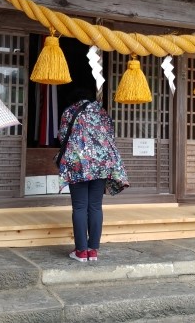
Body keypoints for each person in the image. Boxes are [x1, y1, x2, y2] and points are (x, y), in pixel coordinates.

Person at [58, 88, 129, 262]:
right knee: (96, 206)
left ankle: (81, 251)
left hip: (78, 164)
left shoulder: (69, 112)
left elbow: (62, 137)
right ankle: (93, 250)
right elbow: (110, 136)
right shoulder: (102, 112)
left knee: (80, 207)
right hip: (102, 164)